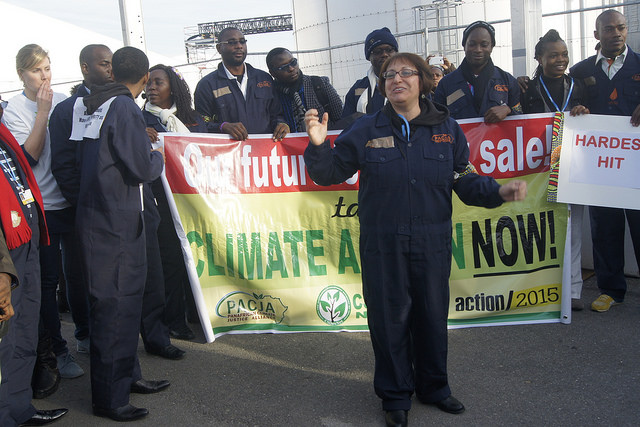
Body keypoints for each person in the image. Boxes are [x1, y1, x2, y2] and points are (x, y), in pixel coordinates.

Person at [304, 52, 527, 427]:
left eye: (406, 73)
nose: (396, 79)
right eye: (389, 74)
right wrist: (318, 144)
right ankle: (394, 395)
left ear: (422, 81)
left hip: (431, 241)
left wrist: (497, 192)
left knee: (431, 315)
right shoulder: (365, 129)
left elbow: (463, 178)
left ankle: (434, 387)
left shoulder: (447, 129)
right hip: (383, 244)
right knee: (389, 319)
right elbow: (328, 173)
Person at [70, 46, 168, 422]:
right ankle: (110, 399)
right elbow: (142, 167)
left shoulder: (93, 102)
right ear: (144, 79)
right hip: (116, 223)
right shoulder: (124, 106)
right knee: (115, 308)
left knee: (121, 306)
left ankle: (127, 377)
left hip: (99, 218)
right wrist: (156, 153)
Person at [1, 44, 84, 383]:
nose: (44, 75)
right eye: (36, 70)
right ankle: (56, 350)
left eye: (47, 68)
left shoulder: (66, 99)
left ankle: (85, 335)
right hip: (41, 209)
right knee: (47, 284)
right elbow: (28, 159)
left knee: (80, 275)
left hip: (70, 202)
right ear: (21, 74)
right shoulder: (15, 111)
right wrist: (42, 114)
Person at [569, 9, 640, 312]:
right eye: (609, 29)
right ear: (596, 35)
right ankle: (611, 289)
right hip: (599, 165)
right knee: (605, 226)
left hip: (635, 165)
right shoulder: (580, 71)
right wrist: (577, 110)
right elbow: (568, 104)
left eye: (621, 27)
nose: (616, 33)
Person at [0, 120, 68, 426]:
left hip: (24, 239)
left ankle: (18, 409)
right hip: (5, 255)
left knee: (25, 332)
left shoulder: (3, 136)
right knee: (5, 341)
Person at [518, 30, 590, 311]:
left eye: (564, 55)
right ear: (539, 58)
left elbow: (593, 123)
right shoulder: (527, 89)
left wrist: (585, 111)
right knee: (541, 230)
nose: (560, 60)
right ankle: (541, 288)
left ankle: (572, 292)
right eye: (553, 55)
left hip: (573, 167)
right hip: (539, 170)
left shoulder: (579, 86)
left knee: (573, 230)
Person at [144, 64, 207, 345]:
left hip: (194, 203)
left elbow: (208, 140)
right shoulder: (140, 119)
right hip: (162, 202)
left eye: (158, 82)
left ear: (174, 87)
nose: (151, 88)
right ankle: (174, 320)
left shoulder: (191, 119)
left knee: (196, 256)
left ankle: (197, 312)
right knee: (170, 261)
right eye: (148, 83)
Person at [194, 27, 289, 141]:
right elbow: (201, 124)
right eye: (232, 42)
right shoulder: (207, 85)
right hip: (228, 155)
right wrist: (222, 127)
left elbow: (277, 114)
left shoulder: (264, 79)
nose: (239, 46)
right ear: (219, 48)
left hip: (264, 154)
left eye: (242, 41)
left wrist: (282, 124)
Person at [434, 21, 522, 122]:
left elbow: (520, 118)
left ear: (492, 47)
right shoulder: (446, 84)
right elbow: (438, 121)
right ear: (464, 46)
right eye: (472, 44)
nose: (478, 49)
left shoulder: (507, 81)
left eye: (484, 45)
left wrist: (508, 110)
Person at [267, 47, 343, 131]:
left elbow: (340, 117)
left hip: (324, 141)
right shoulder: (270, 94)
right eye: (284, 67)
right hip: (288, 143)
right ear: (272, 73)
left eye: (293, 62)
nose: (291, 68)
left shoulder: (320, 84)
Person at [341, 27, 398, 120]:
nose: (384, 54)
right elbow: (346, 125)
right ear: (369, 57)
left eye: (389, 50)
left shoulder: (409, 83)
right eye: (377, 51)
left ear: (396, 53)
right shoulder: (357, 89)